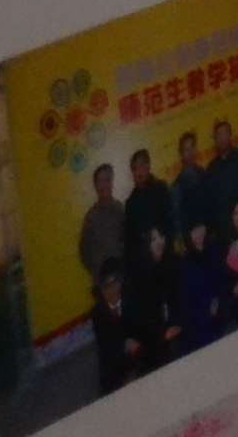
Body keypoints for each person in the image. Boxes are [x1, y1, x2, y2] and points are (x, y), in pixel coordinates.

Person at [124, 225, 181, 370]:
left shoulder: (171, 263)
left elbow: (178, 300)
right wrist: (163, 334)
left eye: (161, 237)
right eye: (154, 239)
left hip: (175, 327)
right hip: (152, 339)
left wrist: (176, 324)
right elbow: (141, 318)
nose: (159, 242)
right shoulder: (141, 275)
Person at [75, 162, 127, 299]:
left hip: (123, 282)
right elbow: (83, 250)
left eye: (107, 180)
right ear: (95, 185)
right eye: (100, 181)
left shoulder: (120, 210)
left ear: (111, 182)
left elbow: (129, 242)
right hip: (101, 285)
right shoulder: (91, 217)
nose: (104, 185)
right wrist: (97, 273)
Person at [174, 220, 228, 351]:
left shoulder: (214, 251)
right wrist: (206, 312)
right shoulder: (184, 266)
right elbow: (186, 303)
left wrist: (217, 301)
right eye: (194, 231)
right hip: (199, 327)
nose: (198, 234)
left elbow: (223, 282)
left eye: (200, 228)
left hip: (222, 316)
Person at [89, 262, 142, 394]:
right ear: (101, 290)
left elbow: (142, 328)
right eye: (106, 287)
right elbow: (105, 347)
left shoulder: (131, 299)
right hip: (115, 365)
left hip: (138, 355)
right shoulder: (98, 313)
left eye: (115, 283)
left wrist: (134, 342)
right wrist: (123, 345)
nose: (112, 290)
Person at [121, 148, 173, 264]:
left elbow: (170, 222)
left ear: (148, 166)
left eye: (142, 166)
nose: (139, 172)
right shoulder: (130, 203)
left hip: (165, 260)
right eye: (135, 168)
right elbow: (129, 240)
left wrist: (159, 242)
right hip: (143, 265)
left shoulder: (161, 189)